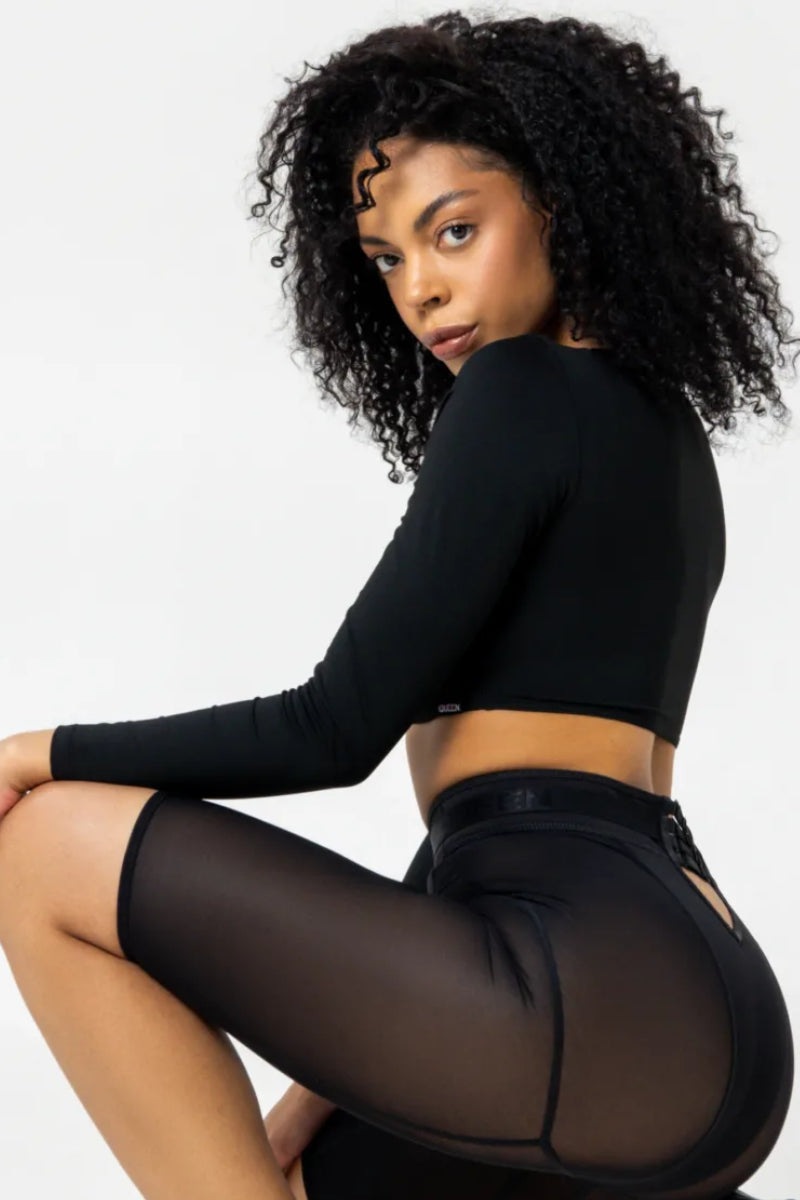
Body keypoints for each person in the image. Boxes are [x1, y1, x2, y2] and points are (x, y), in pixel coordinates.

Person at [0, 11, 796, 1200]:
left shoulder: (520, 390)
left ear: (559, 204)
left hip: (577, 991)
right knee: (292, 1176)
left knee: (44, 850)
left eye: (454, 231)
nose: (421, 290)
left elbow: (332, 729)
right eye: (385, 259)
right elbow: (516, 819)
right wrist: (297, 1111)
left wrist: (33, 753)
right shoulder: (651, 431)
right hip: (688, 1010)